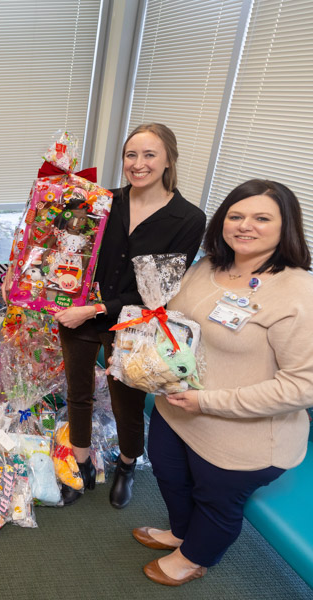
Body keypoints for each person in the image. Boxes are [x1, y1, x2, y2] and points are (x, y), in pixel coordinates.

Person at [135, 180, 313, 586]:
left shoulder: (299, 293)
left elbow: (304, 387)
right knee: (169, 475)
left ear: (286, 227)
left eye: (262, 218)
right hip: (177, 411)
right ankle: (181, 534)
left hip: (242, 435)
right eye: (236, 215)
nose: (244, 225)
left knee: (217, 502)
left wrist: (209, 401)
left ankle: (195, 557)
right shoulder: (206, 266)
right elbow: (176, 327)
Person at [53, 123, 206, 508]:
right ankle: (82, 461)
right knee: (79, 394)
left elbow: (163, 288)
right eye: (131, 155)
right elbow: (69, 248)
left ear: (169, 158)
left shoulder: (187, 218)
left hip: (133, 325)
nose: (138, 164)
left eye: (149, 155)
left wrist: (99, 308)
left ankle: (126, 463)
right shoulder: (104, 201)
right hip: (80, 316)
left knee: (127, 403)